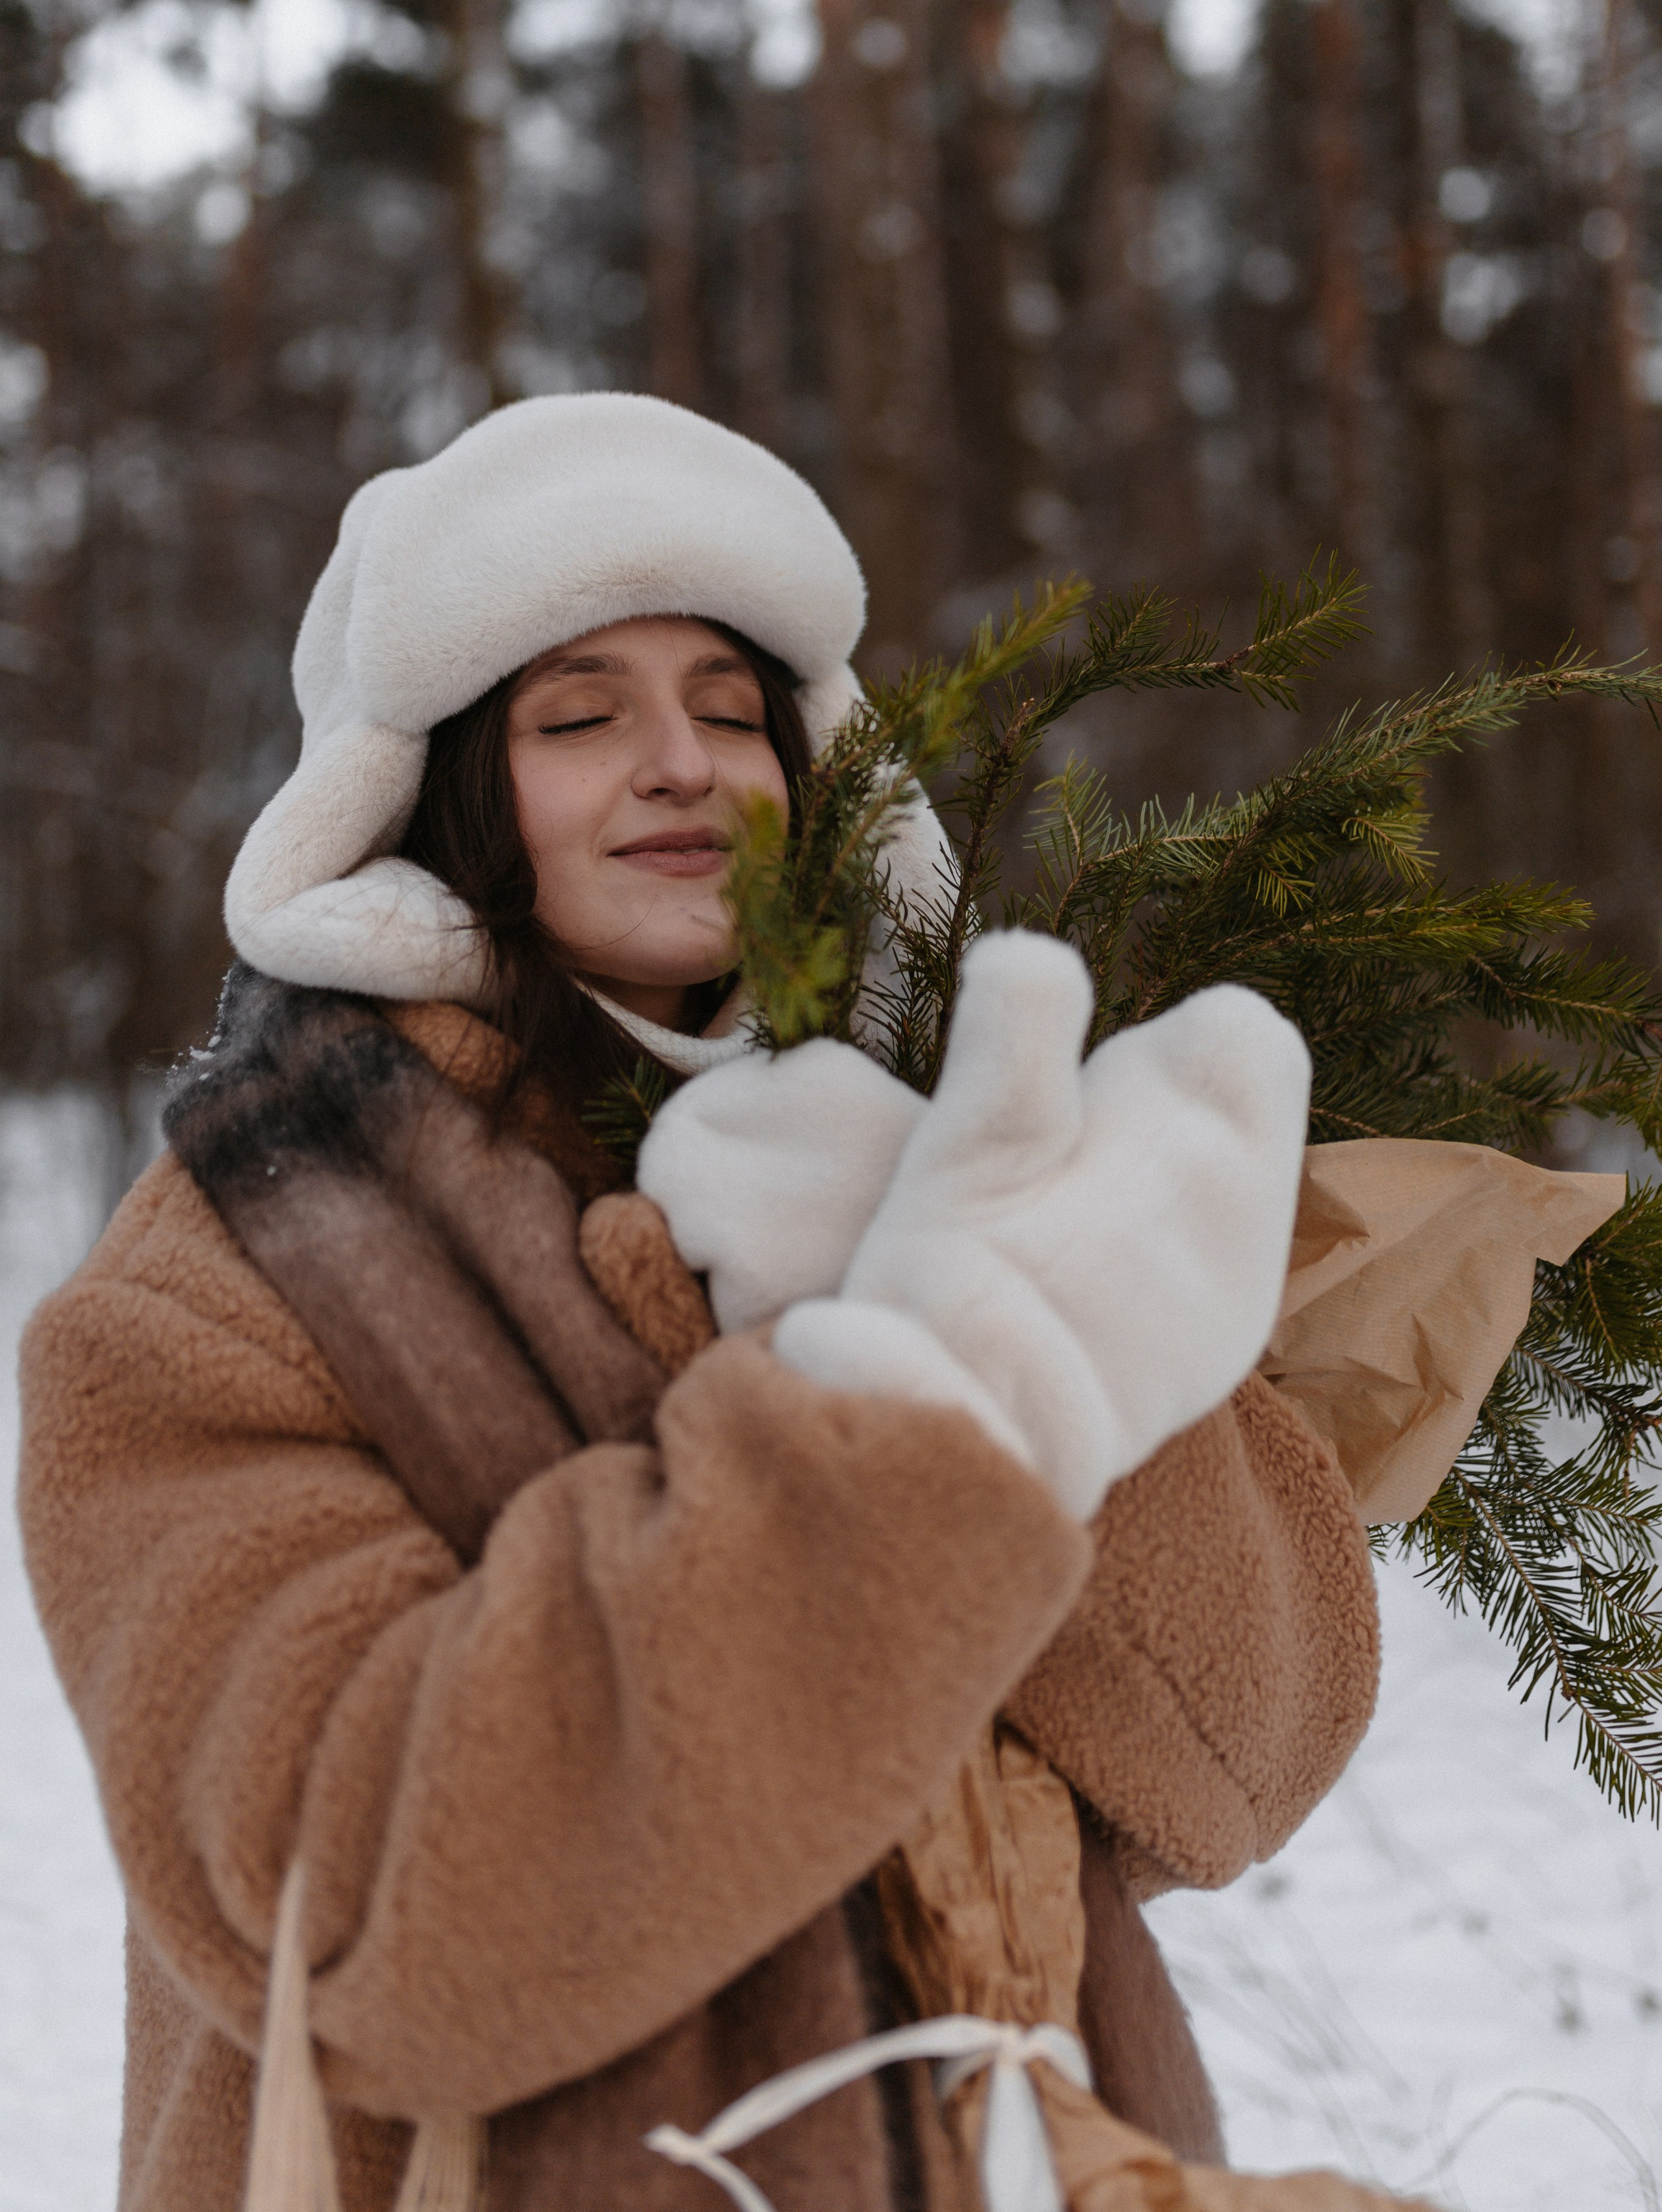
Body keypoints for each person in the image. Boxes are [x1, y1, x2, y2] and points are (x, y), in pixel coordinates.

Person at [18, 395, 1616, 2212]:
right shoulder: (215, 1291)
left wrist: (991, 1303)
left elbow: (1241, 1762)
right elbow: (380, 1918)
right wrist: (919, 1404)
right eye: (578, 717)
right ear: (433, 793)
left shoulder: (947, 1156)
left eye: (730, 711)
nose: (680, 765)